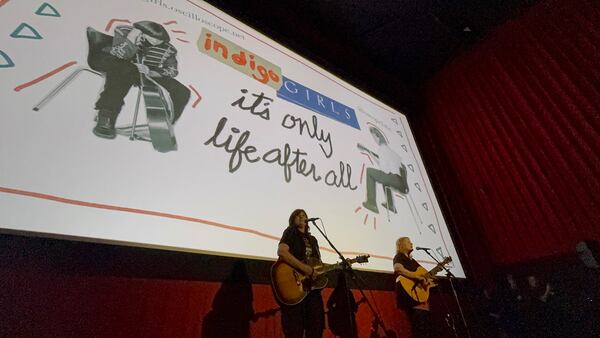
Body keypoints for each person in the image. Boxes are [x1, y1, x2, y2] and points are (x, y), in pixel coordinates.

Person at [92, 20, 191, 139]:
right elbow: (120, 54)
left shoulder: (168, 49)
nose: (156, 41)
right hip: (120, 66)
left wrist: (151, 72)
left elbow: (172, 70)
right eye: (152, 37)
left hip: (147, 72)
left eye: (159, 40)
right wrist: (133, 36)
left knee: (183, 91)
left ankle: (165, 125)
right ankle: (106, 117)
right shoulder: (124, 32)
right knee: (123, 69)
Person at [277, 209, 325, 338]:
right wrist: (305, 269)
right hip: (296, 285)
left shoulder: (313, 240)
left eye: (304, 215)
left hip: (312, 288)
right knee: (295, 328)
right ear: (293, 219)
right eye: (298, 215)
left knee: (316, 325)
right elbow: (282, 252)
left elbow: (317, 262)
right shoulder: (291, 232)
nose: (301, 217)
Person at [358, 126, 408, 214]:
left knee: (370, 171)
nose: (374, 139)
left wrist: (372, 156)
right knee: (385, 180)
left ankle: (371, 203)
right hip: (401, 183)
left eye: (374, 137)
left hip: (393, 178)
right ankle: (391, 205)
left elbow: (385, 170)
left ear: (377, 137)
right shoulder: (393, 152)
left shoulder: (382, 149)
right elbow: (401, 168)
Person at [393, 237, 436, 338]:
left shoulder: (412, 261)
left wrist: (427, 282)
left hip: (419, 298)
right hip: (411, 297)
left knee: (427, 329)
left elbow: (423, 275)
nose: (411, 243)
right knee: (420, 328)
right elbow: (398, 269)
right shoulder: (399, 257)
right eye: (408, 242)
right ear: (402, 244)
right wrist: (417, 277)